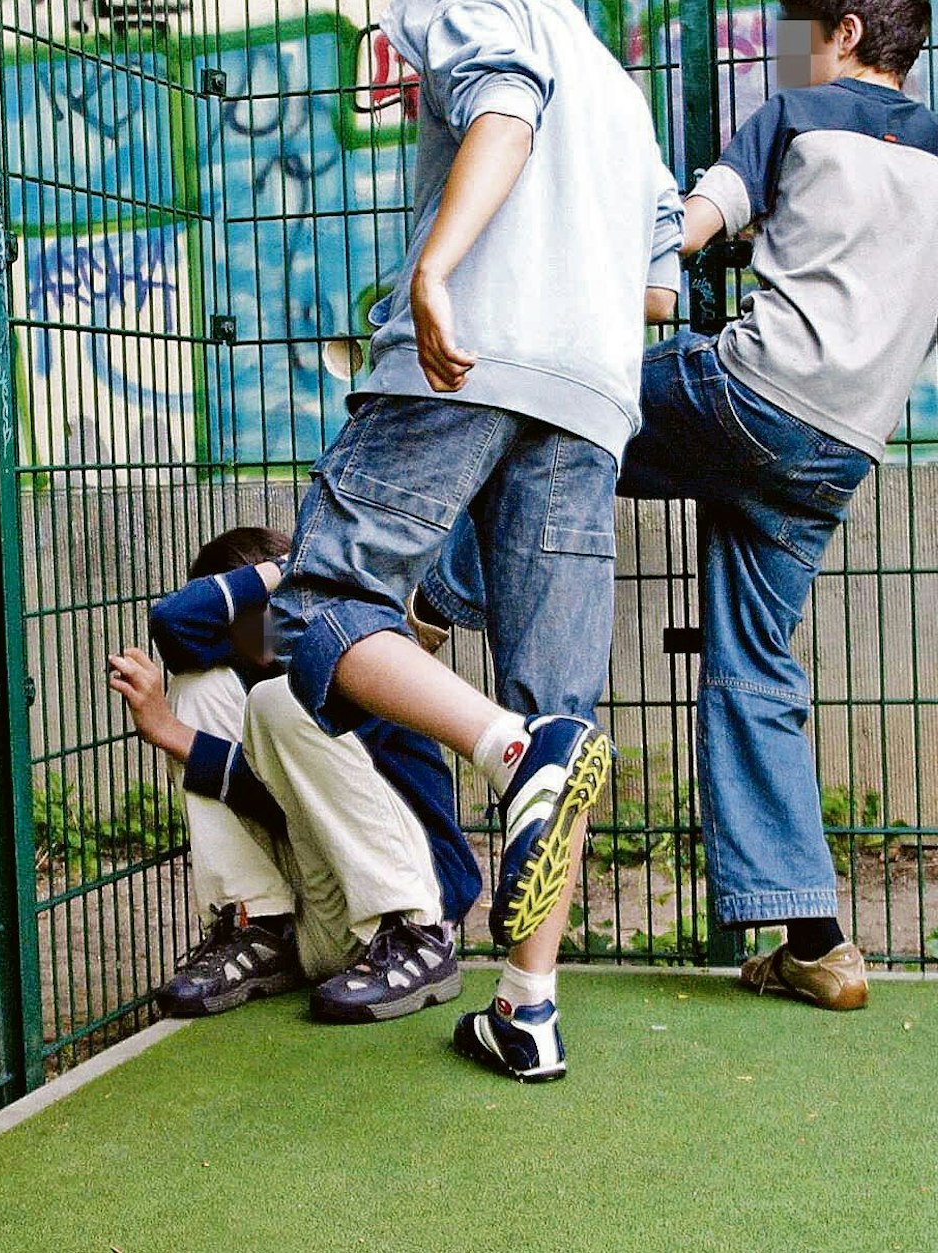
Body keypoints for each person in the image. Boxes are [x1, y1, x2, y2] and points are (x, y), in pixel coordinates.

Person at [420, 4, 938, 1010]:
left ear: (838, 30)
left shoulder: (791, 114)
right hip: (836, 448)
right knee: (756, 668)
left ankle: (430, 606)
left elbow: (684, 232)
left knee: (552, 421)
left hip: (748, 395)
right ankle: (817, 940)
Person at [266, 0, 685, 1080]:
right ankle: (526, 1009)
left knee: (316, 604)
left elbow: (503, 105)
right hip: (591, 396)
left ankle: (507, 752)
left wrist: (436, 269)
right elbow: (653, 285)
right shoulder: (622, 89)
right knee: (565, 707)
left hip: (465, 358)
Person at [106, 525, 481, 1023]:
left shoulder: (364, 655)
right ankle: (258, 928)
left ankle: (419, 941)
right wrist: (273, 572)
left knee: (279, 698)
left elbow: (268, 789)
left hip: (412, 909)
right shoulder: (249, 673)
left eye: (268, 608)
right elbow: (174, 622)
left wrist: (170, 733)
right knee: (199, 686)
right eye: (239, 617)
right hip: (324, 923)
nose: (255, 626)